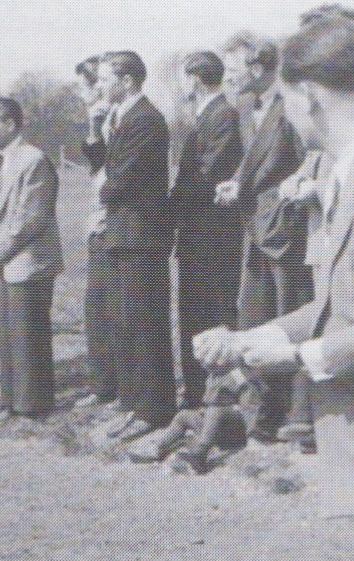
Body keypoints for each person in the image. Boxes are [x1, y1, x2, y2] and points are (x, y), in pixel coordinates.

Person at [195, 17, 354, 561]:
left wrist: (292, 354)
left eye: (286, 100)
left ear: (309, 96)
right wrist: (254, 336)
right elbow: (346, 299)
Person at [215, 36, 313, 441]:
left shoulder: (292, 106)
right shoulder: (244, 108)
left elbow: (312, 158)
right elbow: (253, 161)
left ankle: (299, 416)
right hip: (255, 229)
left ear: (257, 68)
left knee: (290, 316)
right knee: (255, 318)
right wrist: (236, 182)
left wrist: (283, 193)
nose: (229, 78)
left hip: (286, 232)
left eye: (233, 70)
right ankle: (261, 414)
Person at [85, 51, 177, 440]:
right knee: (125, 320)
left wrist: (99, 190)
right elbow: (106, 164)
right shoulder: (122, 118)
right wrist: (94, 133)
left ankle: (154, 410)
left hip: (140, 237)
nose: (98, 86)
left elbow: (121, 179)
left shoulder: (145, 120)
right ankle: (133, 402)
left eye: (105, 79)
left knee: (145, 323)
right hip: (124, 234)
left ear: (126, 80)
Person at [0, 97, 62, 419]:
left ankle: (31, 405)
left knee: (27, 335)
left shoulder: (34, 160)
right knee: (9, 334)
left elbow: (29, 220)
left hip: (29, 261)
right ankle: (9, 401)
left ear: (11, 124)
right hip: (7, 262)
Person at [169, 51, 244, 408]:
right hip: (195, 234)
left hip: (213, 236)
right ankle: (198, 391)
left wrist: (167, 201)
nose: (180, 85)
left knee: (212, 313)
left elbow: (207, 175)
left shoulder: (223, 116)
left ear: (195, 79)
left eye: (182, 78)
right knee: (193, 313)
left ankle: (216, 395)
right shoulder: (206, 117)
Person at [75, 55, 117, 409]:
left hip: (110, 222)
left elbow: (109, 174)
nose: (80, 93)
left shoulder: (115, 119)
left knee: (105, 306)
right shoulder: (101, 120)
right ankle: (104, 383)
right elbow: (96, 163)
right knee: (96, 307)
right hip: (100, 218)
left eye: (82, 85)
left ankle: (109, 385)